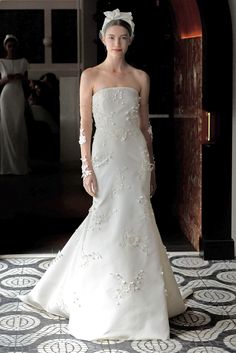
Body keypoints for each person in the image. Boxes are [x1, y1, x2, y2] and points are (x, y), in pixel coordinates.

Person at [19, 9, 190, 340]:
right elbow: (85, 125)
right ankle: (100, 296)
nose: (118, 43)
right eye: (112, 37)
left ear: (130, 41)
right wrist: (87, 166)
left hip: (135, 156)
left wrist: (151, 166)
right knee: (104, 218)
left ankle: (142, 303)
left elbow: (145, 126)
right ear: (102, 39)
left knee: (137, 218)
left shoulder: (141, 77)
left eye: (123, 38)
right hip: (106, 156)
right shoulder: (90, 75)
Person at [0, 34, 29, 175]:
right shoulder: (1, 62)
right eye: (8, 45)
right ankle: (7, 166)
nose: (11, 48)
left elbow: (26, 82)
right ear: (5, 46)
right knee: (7, 127)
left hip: (18, 94)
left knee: (18, 127)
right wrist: (7, 78)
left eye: (13, 45)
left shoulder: (23, 61)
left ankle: (19, 164)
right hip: (6, 95)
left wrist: (21, 77)